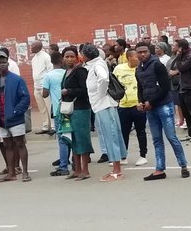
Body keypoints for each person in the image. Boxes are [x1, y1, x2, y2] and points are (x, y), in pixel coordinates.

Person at [134, 41, 189, 180]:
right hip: (149, 108)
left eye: (144, 52)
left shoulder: (157, 65)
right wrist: (141, 102)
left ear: (150, 52)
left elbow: (165, 87)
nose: (142, 54)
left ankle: (183, 165)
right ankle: (159, 169)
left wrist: (151, 102)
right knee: (157, 139)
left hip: (164, 105)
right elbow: (141, 88)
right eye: (139, 52)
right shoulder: (138, 69)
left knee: (171, 137)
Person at [0, 51, 31, 182]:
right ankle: (11, 173)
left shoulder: (17, 79)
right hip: (1, 119)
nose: (2, 65)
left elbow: (25, 98)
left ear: (8, 63)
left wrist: (16, 111)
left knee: (20, 144)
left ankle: (25, 172)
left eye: (4, 62)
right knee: (7, 145)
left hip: (15, 119)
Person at [82, 42, 125, 182]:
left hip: (104, 105)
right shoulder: (93, 64)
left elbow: (104, 79)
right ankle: (115, 168)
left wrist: (100, 95)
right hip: (101, 106)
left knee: (111, 136)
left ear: (86, 55)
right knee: (109, 137)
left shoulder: (97, 65)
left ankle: (117, 170)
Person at [59, 46, 93, 180]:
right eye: (66, 56)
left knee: (82, 138)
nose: (69, 59)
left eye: (71, 56)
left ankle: (85, 170)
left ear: (77, 57)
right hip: (69, 109)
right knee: (72, 139)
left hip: (81, 109)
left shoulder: (80, 71)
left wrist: (69, 91)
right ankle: (77, 169)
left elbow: (85, 90)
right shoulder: (66, 72)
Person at [113, 46, 148, 166]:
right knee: (123, 132)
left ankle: (143, 155)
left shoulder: (142, 69)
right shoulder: (119, 69)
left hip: (138, 104)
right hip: (123, 105)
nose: (138, 58)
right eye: (135, 56)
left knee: (141, 131)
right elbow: (113, 84)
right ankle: (123, 156)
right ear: (129, 58)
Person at [173, 38, 191, 141]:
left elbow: (181, 68)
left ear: (181, 48)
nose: (174, 47)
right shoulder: (183, 56)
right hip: (182, 87)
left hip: (189, 87)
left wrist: (177, 56)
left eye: (176, 45)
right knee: (186, 113)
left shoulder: (190, 57)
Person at [29, 41, 53, 134]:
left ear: (38, 47)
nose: (31, 48)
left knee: (49, 106)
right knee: (42, 108)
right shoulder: (34, 58)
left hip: (45, 86)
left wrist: (47, 85)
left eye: (32, 46)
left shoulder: (46, 57)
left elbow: (50, 70)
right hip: (37, 86)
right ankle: (45, 126)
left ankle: (53, 126)